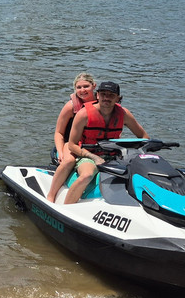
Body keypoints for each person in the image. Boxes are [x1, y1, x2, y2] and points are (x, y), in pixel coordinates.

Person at [63, 81, 148, 204]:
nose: (106, 98)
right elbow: (72, 144)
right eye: (103, 94)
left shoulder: (124, 114)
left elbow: (143, 137)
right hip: (87, 154)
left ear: (118, 98)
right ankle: (66, 209)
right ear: (97, 96)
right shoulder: (83, 114)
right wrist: (92, 157)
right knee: (87, 175)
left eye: (111, 95)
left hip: (113, 155)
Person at [46, 73, 97, 203]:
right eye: (79, 87)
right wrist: (61, 152)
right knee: (69, 161)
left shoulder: (102, 104)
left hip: (91, 143)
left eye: (86, 86)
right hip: (70, 143)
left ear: (94, 86)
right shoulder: (71, 106)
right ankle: (51, 195)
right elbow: (59, 132)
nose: (82, 90)